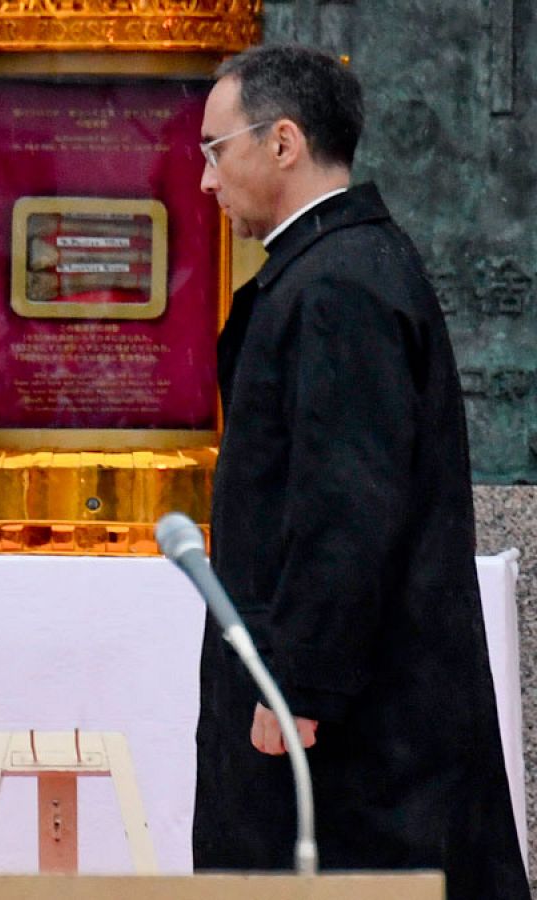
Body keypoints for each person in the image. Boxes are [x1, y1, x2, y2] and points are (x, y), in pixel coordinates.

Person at [196, 45, 526, 897]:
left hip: (353, 747)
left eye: (213, 150)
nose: (204, 180)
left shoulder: (338, 285)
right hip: (351, 723)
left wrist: (299, 682)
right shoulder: (336, 267)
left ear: (282, 143)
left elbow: (348, 504)